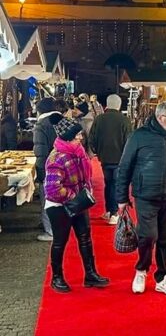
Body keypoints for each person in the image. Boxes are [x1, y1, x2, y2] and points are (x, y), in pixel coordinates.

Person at [116, 101, 166, 296]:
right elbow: (124, 167)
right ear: (160, 117)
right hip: (145, 195)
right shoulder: (139, 136)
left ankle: (163, 276)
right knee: (148, 236)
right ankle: (141, 270)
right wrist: (121, 197)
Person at [44, 117, 109, 292]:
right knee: (60, 241)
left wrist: (83, 194)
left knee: (85, 238)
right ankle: (57, 277)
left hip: (78, 203)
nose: (80, 137)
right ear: (67, 137)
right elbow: (52, 189)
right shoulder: (56, 158)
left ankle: (90, 274)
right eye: (76, 135)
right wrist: (75, 196)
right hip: (58, 206)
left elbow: (85, 177)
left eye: (80, 134)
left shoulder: (78, 152)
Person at [88, 94, 132, 225]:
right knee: (117, 184)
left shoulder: (99, 119)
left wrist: (97, 151)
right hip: (120, 158)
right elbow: (129, 140)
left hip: (104, 157)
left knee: (109, 184)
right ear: (118, 105)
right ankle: (114, 213)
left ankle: (109, 211)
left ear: (107, 104)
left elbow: (92, 138)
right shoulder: (124, 120)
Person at [33, 97, 63, 242]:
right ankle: (57, 226)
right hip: (65, 166)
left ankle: (50, 231)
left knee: (48, 198)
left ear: (39, 110)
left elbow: (41, 153)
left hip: (50, 167)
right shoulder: (63, 121)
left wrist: (40, 173)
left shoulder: (41, 125)